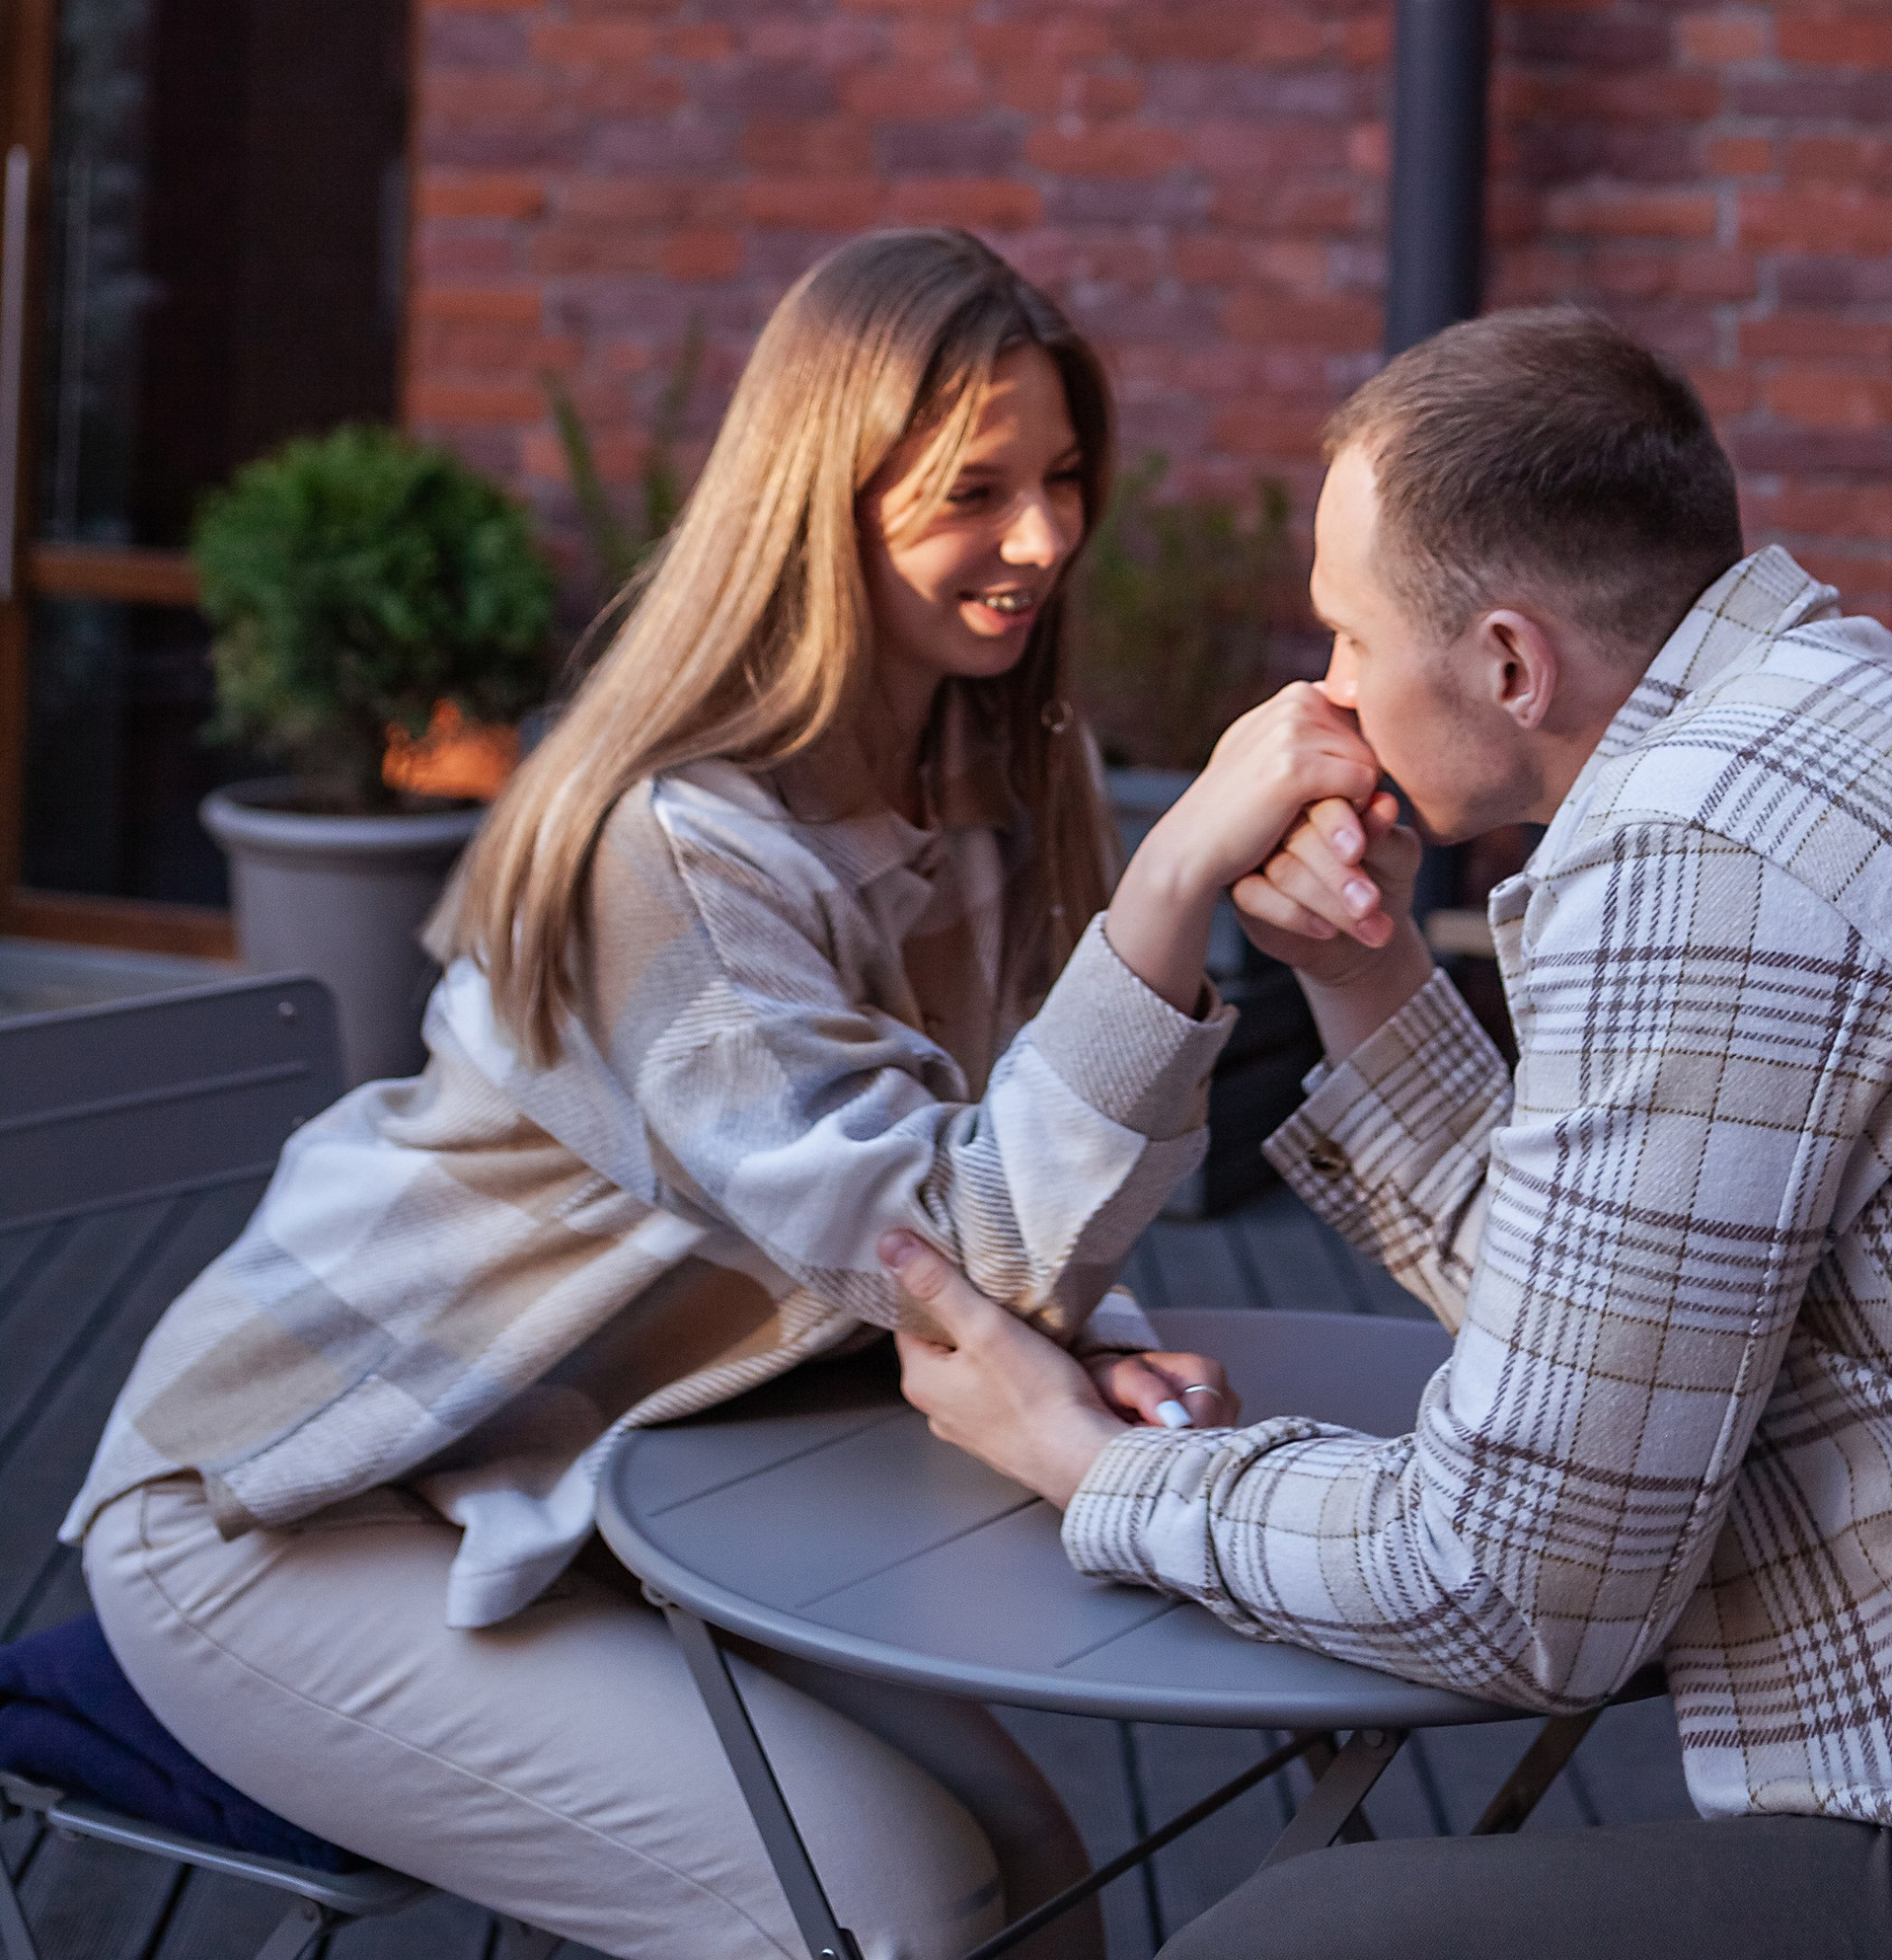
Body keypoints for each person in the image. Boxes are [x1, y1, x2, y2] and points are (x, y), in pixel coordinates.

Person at [885, 304, 1892, 1960]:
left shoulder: (1703, 859)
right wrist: (1364, 965)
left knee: (1288, 1946)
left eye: (1350, 641)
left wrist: (1088, 1462)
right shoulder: (1837, 717)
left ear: (1513, 663)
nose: (1327, 697)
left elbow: (1519, 1587)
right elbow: (1616, 1339)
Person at [69, 229, 1386, 1960]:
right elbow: (954, 1237)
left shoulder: (998, 773)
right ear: (817, 497)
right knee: (888, 1912)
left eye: (1063, 478)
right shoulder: (674, 853)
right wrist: (1172, 893)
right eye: (972, 489)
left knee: (1029, 1872)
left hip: (606, 1475)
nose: (1046, 540)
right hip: (303, 1500)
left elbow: (990, 1193)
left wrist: (1088, 1335)